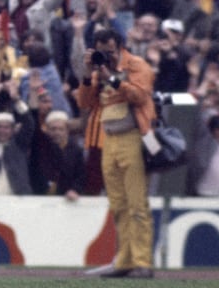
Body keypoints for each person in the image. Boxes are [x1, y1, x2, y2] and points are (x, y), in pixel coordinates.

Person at [74, 28, 155, 279]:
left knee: (136, 203)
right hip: (107, 139)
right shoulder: (98, 70)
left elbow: (140, 95)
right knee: (118, 204)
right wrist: (89, 75)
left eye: (109, 50)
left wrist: (112, 77)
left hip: (132, 137)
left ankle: (142, 262)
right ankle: (124, 260)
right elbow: (83, 103)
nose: (106, 55)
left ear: (119, 46)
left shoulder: (136, 65)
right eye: (101, 50)